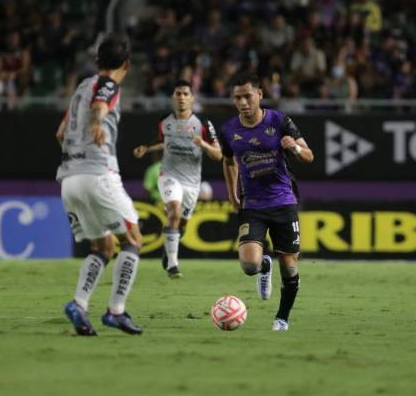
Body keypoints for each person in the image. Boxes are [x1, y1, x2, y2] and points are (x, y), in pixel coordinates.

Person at [56, 34, 143, 336]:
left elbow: (60, 132)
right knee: (132, 240)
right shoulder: (109, 85)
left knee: (102, 246)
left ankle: (79, 305)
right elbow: (101, 103)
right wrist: (96, 124)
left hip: (69, 178)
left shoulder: (80, 88)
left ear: (96, 61)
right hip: (98, 173)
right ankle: (116, 311)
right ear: (127, 65)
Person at [219, 71, 313, 332]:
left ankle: (282, 318)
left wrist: (293, 147)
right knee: (249, 265)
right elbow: (228, 162)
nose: (243, 102)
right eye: (237, 98)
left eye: (247, 96)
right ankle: (263, 264)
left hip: (283, 201)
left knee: (290, 266)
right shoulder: (228, 130)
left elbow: (309, 155)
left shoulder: (280, 121)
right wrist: (231, 193)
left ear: (259, 94)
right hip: (253, 205)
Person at [132, 80, 222, 278]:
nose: (181, 97)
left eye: (185, 94)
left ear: (192, 98)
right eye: (178, 93)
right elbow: (162, 142)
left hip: (192, 182)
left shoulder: (203, 124)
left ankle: (168, 248)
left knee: (181, 224)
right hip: (169, 176)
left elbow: (218, 155)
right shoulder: (165, 121)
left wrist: (204, 145)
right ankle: (173, 265)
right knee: (173, 211)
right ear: (173, 97)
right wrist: (146, 148)